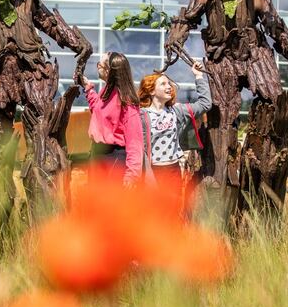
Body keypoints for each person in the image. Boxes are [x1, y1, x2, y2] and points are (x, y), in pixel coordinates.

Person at [137, 60, 211, 214]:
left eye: (169, 84)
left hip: (173, 170)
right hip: (152, 171)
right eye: (163, 84)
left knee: (171, 214)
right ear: (151, 91)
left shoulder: (176, 111)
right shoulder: (141, 115)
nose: (169, 87)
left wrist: (198, 76)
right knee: (151, 214)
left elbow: (205, 104)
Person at [81, 52, 143, 187]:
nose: (97, 67)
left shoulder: (126, 100)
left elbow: (135, 140)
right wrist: (88, 88)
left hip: (113, 158)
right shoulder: (106, 91)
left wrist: (132, 174)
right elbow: (99, 111)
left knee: (111, 204)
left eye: (100, 65)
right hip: (97, 153)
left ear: (109, 70)